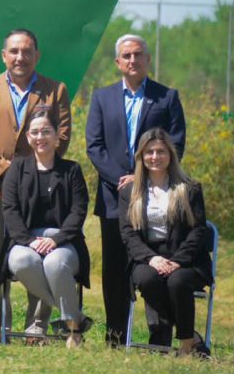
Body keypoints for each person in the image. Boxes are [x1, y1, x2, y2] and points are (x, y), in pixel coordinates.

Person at [0, 28, 71, 338]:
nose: (20, 57)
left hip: (42, 192)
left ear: (37, 55)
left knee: (37, 256)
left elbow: (61, 137)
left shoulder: (55, 90)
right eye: (14, 51)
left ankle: (36, 326)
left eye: (27, 51)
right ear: (4, 55)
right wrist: (6, 171)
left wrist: (31, 173)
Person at [86, 33, 186, 346]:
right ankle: (115, 335)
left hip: (157, 196)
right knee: (115, 269)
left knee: (156, 264)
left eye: (138, 55)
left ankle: (159, 336)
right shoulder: (102, 98)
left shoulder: (166, 97)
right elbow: (95, 146)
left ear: (147, 60)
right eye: (127, 56)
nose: (133, 60)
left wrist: (142, 178)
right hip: (115, 199)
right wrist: (125, 179)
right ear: (118, 62)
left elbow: (176, 142)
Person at [0, 108, 92, 347]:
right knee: (21, 262)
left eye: (46, 131)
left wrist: (56, 240)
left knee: (55, 264)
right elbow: (10, 209)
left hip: (64, 242)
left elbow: (78, 211)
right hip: (24, 241)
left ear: (57, 134)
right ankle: (75, 321)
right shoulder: (17, 168)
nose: (40, 137)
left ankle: (72, 328)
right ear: (28, 138)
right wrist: (29, 241)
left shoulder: (71, 170)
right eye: (35, 133)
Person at [119, 128, 211, 357]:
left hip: (186, 259)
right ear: (141, 156)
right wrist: (152, 258)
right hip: (147, 257)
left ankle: (184, 342)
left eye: (161, 151)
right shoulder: (129, 191)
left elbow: (199, 231)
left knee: (177, 282)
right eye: (149, 152)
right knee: (147, 279)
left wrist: (177, 261)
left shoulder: (190, 188)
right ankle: (189, 339)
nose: (155, 156)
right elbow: (128, 233)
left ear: (171, 154)